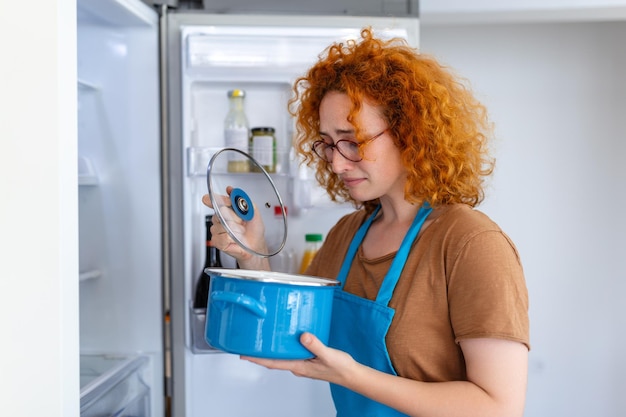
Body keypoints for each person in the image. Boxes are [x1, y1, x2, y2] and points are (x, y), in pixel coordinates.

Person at [202, 27, 529, 417]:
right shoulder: (348, 234)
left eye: (352, 140)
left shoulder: (471, 244)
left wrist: (351, 375)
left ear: (411, 133)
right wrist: (252, 253)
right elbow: (292, 330)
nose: (337, 163)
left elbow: (499, 408)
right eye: (326, 143)